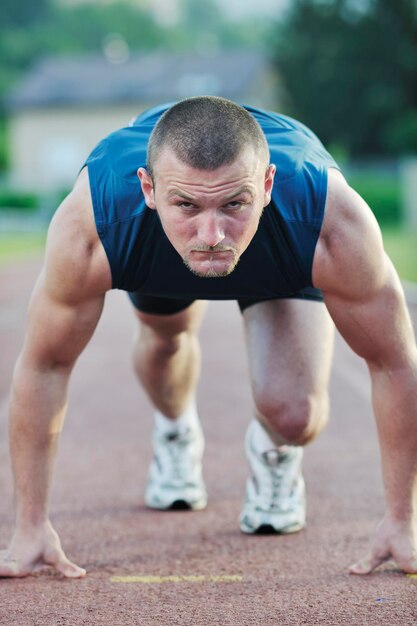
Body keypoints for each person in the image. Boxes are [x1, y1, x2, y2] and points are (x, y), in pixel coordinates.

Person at [0, 96, 416, 579]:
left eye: (234, 203)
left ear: (265, 185)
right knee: (165, 344)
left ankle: (273, 448)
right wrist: (29, 525)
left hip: (279, 249)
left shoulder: (329, 222)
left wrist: (403, 519)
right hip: (156, 246)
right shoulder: (96, 224)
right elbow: (44, 364)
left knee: (295, 414)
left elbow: (395, 362)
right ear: (148, 189)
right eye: (187, 205)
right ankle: (176, 431)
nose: (213, 233)